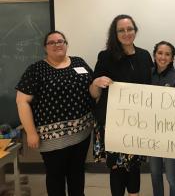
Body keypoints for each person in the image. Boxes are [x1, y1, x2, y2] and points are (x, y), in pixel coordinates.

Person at [16, 30, 95, 196]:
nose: (57, 44)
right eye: (52, 42)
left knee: (77, 173)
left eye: (61, 41)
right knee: (55, 177)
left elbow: (92, 88)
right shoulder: (36, 69)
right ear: (45, 48)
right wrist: (30, 133)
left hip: (81, 134)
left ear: (66, 44)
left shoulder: (79, 62)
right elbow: (22, 101)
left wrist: (98, 83)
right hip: (52, 139)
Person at [90, 14, 153, 196]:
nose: (126, 33)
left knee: (134, 165)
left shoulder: (144, 55)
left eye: (130, 29)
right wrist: (96, 82)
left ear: (135, 31)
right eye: (121, 30)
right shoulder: (106, 56)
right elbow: (94, 93)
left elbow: (149, 88)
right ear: (115, 33)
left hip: (138, 121)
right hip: (113, 122)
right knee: (117, 166)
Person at [149, 41, 175, 196]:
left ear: (172, 58)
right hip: (150, 132)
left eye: (167, 54)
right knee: (155, 173)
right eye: (160, 53)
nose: (163, 57)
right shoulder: (147, 74)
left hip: (170, 134)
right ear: (154, 54)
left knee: (171, 176)